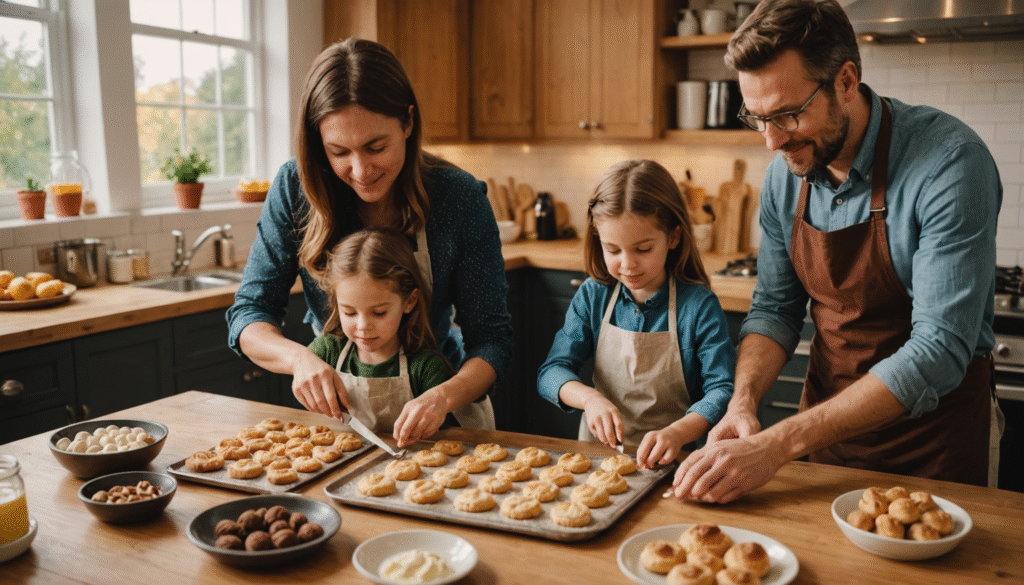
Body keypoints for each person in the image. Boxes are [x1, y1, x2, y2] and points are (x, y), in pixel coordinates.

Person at [670, 0, 1003, 504]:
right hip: (830, 444)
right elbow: (774, 310)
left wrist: (778, 442)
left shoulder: (950, 163)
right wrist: (742, 402)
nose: (771, 141)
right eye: (756, 118)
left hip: (937, 449)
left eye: (787, 114)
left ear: (845, 81)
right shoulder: (786, 172)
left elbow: (939, 350)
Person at [226, 38, 513, 447]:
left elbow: (492, 340)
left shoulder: (458, 197)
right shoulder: (295, 188)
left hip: (442, 412)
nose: (360, 170)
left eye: (376, 147)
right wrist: (299, 360)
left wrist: (442, 395)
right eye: (338, 152)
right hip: (338, 422)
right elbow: (248, 314)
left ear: (408, 123)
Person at [537, 159, 736, 470]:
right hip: (598, 460)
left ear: (673, 237)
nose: (627, 265)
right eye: (613, 250)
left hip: (676, 461)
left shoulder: (698, 306)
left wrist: (678, 432)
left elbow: (722, 390)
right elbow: (551, 373)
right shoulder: (594, 295)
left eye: (643, 249)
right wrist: (590, 400)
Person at [308, 228, 458, 432]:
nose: (362, 327)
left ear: (409, 301)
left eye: (379, 313)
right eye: (350, 313)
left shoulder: (426, 368)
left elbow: (440, 439)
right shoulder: (325, 353)